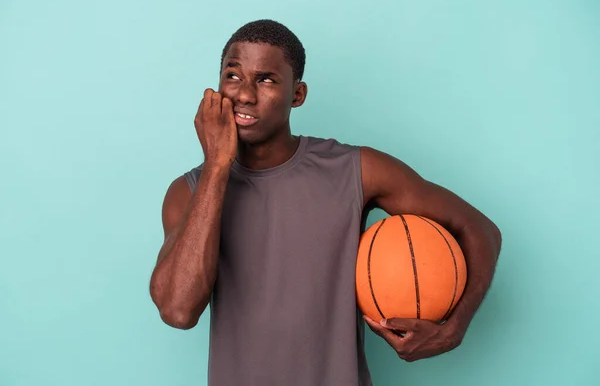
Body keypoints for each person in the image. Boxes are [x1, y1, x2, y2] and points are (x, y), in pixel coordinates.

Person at [149, 19, 502, 386]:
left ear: (297, 95)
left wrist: (454, 330)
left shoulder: (356, 170)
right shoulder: (188, 192)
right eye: (233, 76)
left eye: (266, 79)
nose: (245, 95)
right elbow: (178, 310)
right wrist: (218, 166)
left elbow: (480, 231)